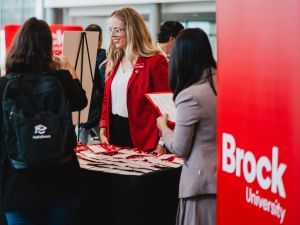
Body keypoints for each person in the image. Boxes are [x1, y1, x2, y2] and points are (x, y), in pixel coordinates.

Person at [0, 17, 87, 225]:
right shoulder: (61, 79)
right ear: (48, 47)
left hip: (18, 184)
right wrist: (69, 68)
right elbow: (81, 101)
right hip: (62, 181)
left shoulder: (3, 85)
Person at [157, 28, 217, 225]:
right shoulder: (225, 83)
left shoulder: (190, 95)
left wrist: (164, 128)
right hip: (226, 179)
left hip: (200, 185)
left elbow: (180, 147)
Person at [99, 7, 169, 152]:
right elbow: (107, 98)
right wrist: (103, 125)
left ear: (132, 30)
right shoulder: (114, 59)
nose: (112, 35)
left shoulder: (155, 61)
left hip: (143, 135)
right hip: (115, 133)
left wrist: (163, 141)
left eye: (117, 30)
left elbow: (165, 105)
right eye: (110, 30)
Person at [79, 24, 106, 144]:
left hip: (91, 107)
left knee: (82, 142)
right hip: (92, 107)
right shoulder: (104, 56)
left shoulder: (79, 56)